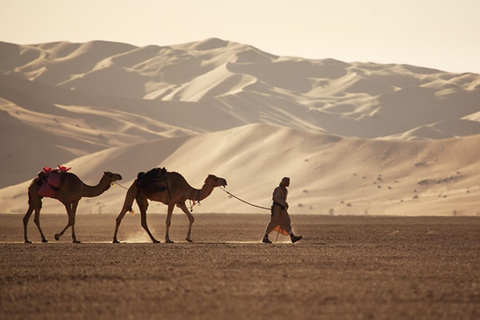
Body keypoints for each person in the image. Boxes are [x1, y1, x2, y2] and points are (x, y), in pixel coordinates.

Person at [262, 177, 302, 243]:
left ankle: (292, 236)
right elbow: (277, 198)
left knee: (286, 221)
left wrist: (284, 205)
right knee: (274, 222)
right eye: (287, 182)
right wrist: (284, 203)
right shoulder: (278, 189)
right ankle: (266, 237)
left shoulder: (285, 190)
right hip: (277, 208)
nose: (289, 183)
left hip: (282, 209)